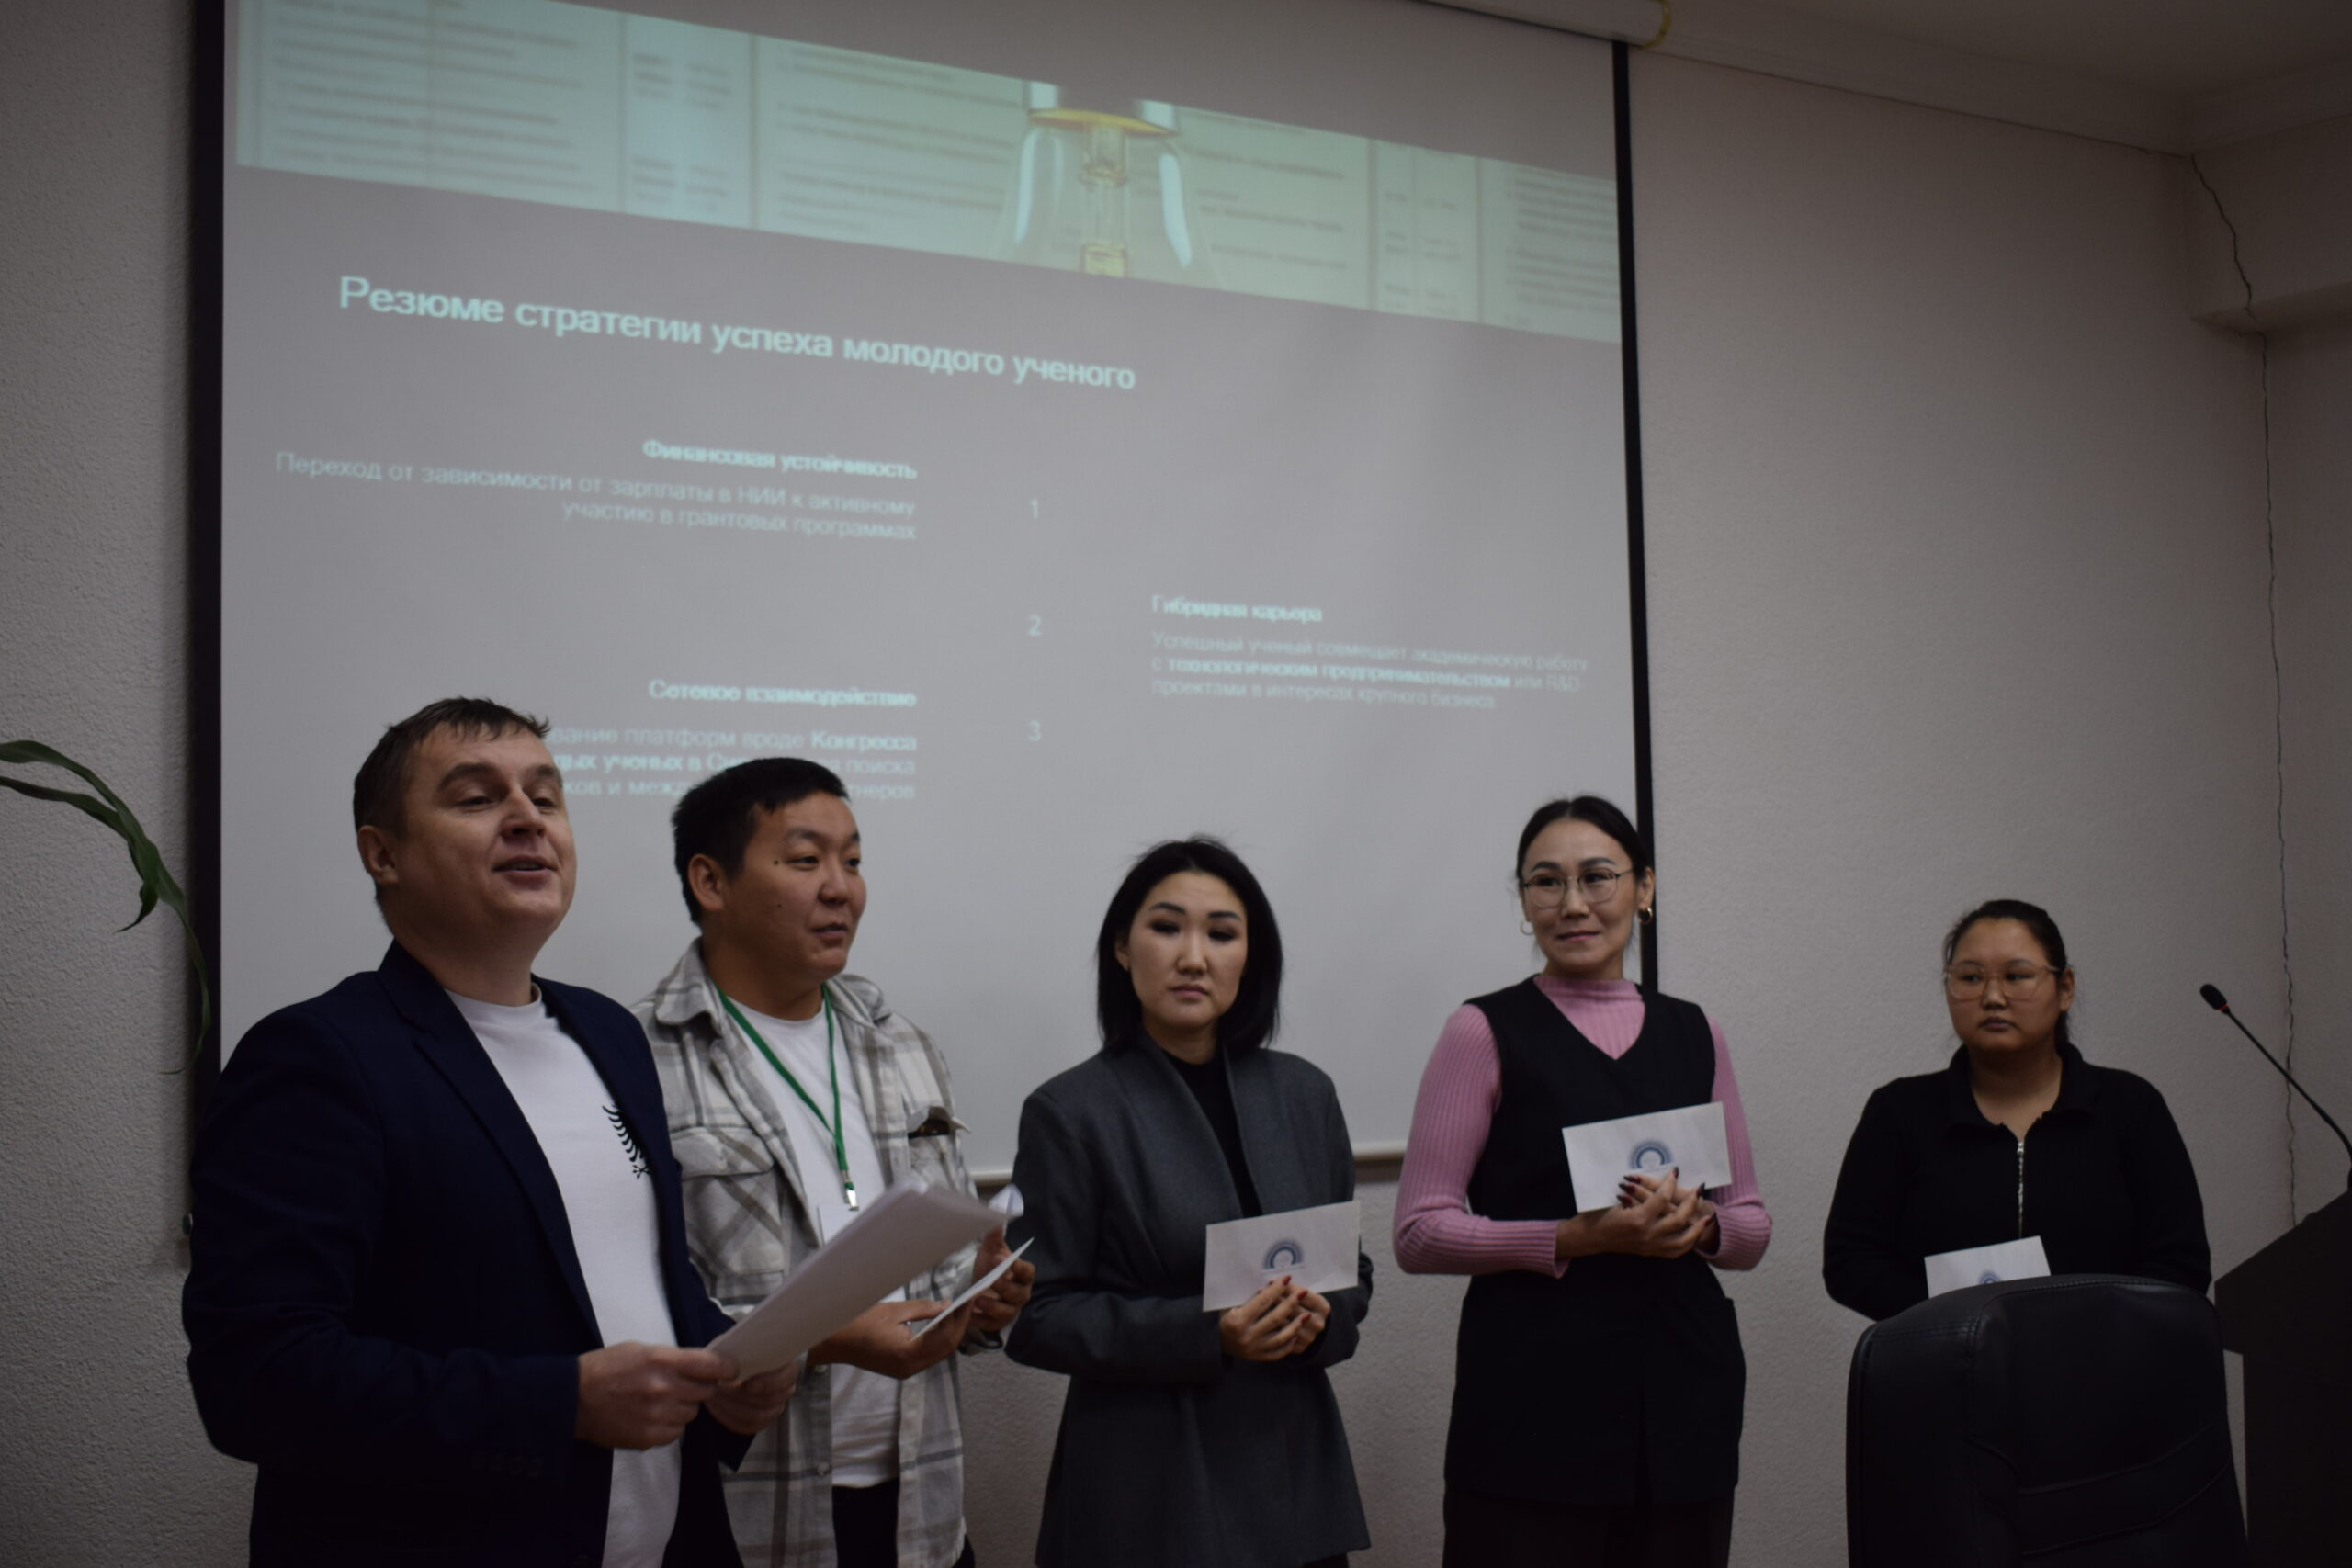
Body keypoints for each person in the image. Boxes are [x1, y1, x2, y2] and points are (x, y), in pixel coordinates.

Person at [184, 697, 793, 1568]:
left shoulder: (609, 1033)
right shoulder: (320, 1057)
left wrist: (725, 1364)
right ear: (382, 853)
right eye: (477, 798)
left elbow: (634, 1278)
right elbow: (255, 1377)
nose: (526, 818)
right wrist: (561, 1403)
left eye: (546, 797)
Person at [634, 757, 1033, 1568]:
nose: (840, 887)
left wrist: (979, 1292)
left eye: (852, 860)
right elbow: (637, 1309)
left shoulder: (902, 1042)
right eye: (805, 859)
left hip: (920, 1511)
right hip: (749, 1514)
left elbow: (939, 1256)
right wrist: (826, 1340)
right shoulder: (640, 1056)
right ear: (710, 881)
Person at [1394, 795, 1770, 1568]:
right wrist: (1576, 1237)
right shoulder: (1481, 1030)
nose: (1572, 903)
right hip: (1531, 1410)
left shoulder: (1696, 1030)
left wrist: (1700, 1226)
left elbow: (1752, 1226)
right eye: (1546, 882)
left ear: (1645, 887)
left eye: (1598, 876)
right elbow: (1419, 1231)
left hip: (1681, 1404)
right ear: (1524, 899)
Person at [1004, 838, 1372, 1568]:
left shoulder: (1305, 1094)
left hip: (1294, 1482)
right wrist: (1210, 1332)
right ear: (1122, 946)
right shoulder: (1070, 1110)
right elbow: (1037, 1315)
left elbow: (1350, 1270)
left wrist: (1322, 1318)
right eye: (1167, 927)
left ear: (1251, 956)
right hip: (1148, 1490)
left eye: (1222, 933)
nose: (1194, 957)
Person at [1823, 898, 2211, 1321]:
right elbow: (1851, 1260)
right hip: (1943, 1356)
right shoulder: (1898, 1112)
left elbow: (2181, 1259)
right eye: (1970, 978)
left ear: (2065, 988)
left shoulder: (2130, 1106)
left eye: (2016, 976)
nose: (1992, 997)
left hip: (2108, 1355)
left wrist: (2094, 1326)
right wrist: (1954, 1323)